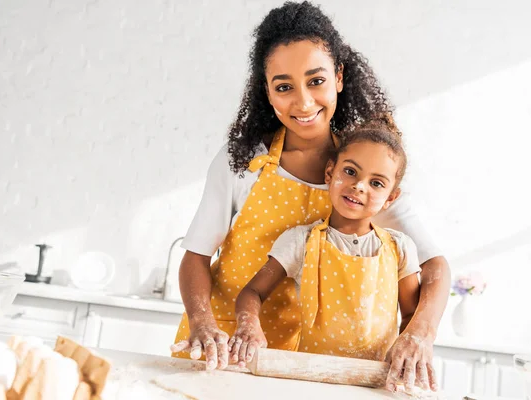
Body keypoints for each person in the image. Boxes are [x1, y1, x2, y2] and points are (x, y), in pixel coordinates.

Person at [170, 1, 450, 392]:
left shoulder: (362, 172)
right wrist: (202, 322)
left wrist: (419, 333)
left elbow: (436, 268)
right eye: (284, 87)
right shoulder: (243, 163)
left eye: (315, 81)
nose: (302, 102)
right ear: (267, 93)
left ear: (338, 77)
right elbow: (196, 255)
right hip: (224, 348)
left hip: (305, 363)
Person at [229, 120, 431, 392]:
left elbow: (410, 317)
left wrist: (405, 354)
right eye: (350, 171)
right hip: (312, 384)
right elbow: (252, 292)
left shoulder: (400, 248)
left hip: (377, 385)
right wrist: (249, 325)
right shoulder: (301, 241)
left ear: (391, 198)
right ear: (329, 172)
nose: (359, 186)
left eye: (376, 183)